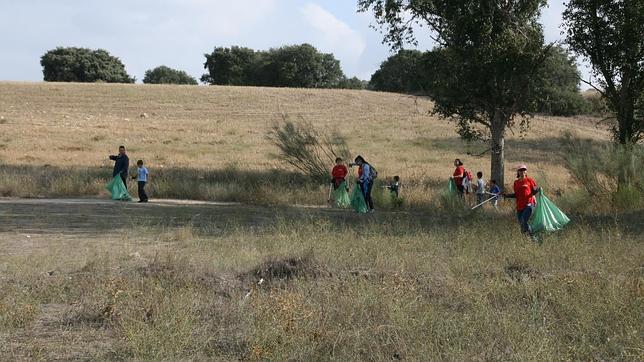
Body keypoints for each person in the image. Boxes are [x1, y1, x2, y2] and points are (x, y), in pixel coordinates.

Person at [504, 164, 541, 238]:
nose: (522, 171)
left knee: (524, 221)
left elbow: (533, 192)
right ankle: (526, 239)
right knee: (522, 224)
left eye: (524, 170)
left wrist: (538, 189)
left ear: (526, 172)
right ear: (518, 172)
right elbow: (516, 195)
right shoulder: (516, 182)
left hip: (529, 204)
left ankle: (533, 237)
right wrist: (506, 195)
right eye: (520, 170)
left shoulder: (530, 180)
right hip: (519, 206)